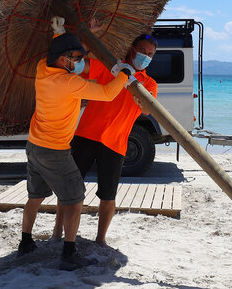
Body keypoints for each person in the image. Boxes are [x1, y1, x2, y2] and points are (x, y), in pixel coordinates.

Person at [18, 21, 136, 271]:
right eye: (78, 58)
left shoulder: (43, 68)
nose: (83, 61)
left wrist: (60, 33)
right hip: (55, 151)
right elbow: (107, 93)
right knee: (75, 199)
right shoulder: (70, 84)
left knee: (35, 197)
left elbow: (59, 48)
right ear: (64, 60)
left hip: (34, 145)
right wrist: (124, 74)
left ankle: (25, 243)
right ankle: (69, 252)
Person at [53, 34, 158, 246]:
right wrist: (88, 41)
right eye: (143, 52)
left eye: (150, 55)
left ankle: (100, 240)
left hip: (116, 142)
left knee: (108, 195)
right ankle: (57, 232)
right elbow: (80, 67)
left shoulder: (148, 84)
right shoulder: (112, 68)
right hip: (86, 135)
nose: (145, 57)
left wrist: (139, 94)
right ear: (132, 49)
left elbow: (147, 110)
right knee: (70, 188)